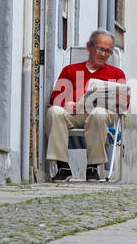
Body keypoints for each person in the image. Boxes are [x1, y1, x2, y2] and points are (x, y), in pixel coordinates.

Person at [46, 30, 129, 181]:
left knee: (98, 113)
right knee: (54, 111)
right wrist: (66, 104)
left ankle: (92, 167)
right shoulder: (70, 70)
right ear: (89, 47)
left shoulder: (116, 73)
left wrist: (118, 103)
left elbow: (124, 102)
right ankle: (63, 166)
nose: (103, 54)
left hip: (102, 114)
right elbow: (55, 98)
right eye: (99, 49)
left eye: (108, 51)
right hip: (74, 114)